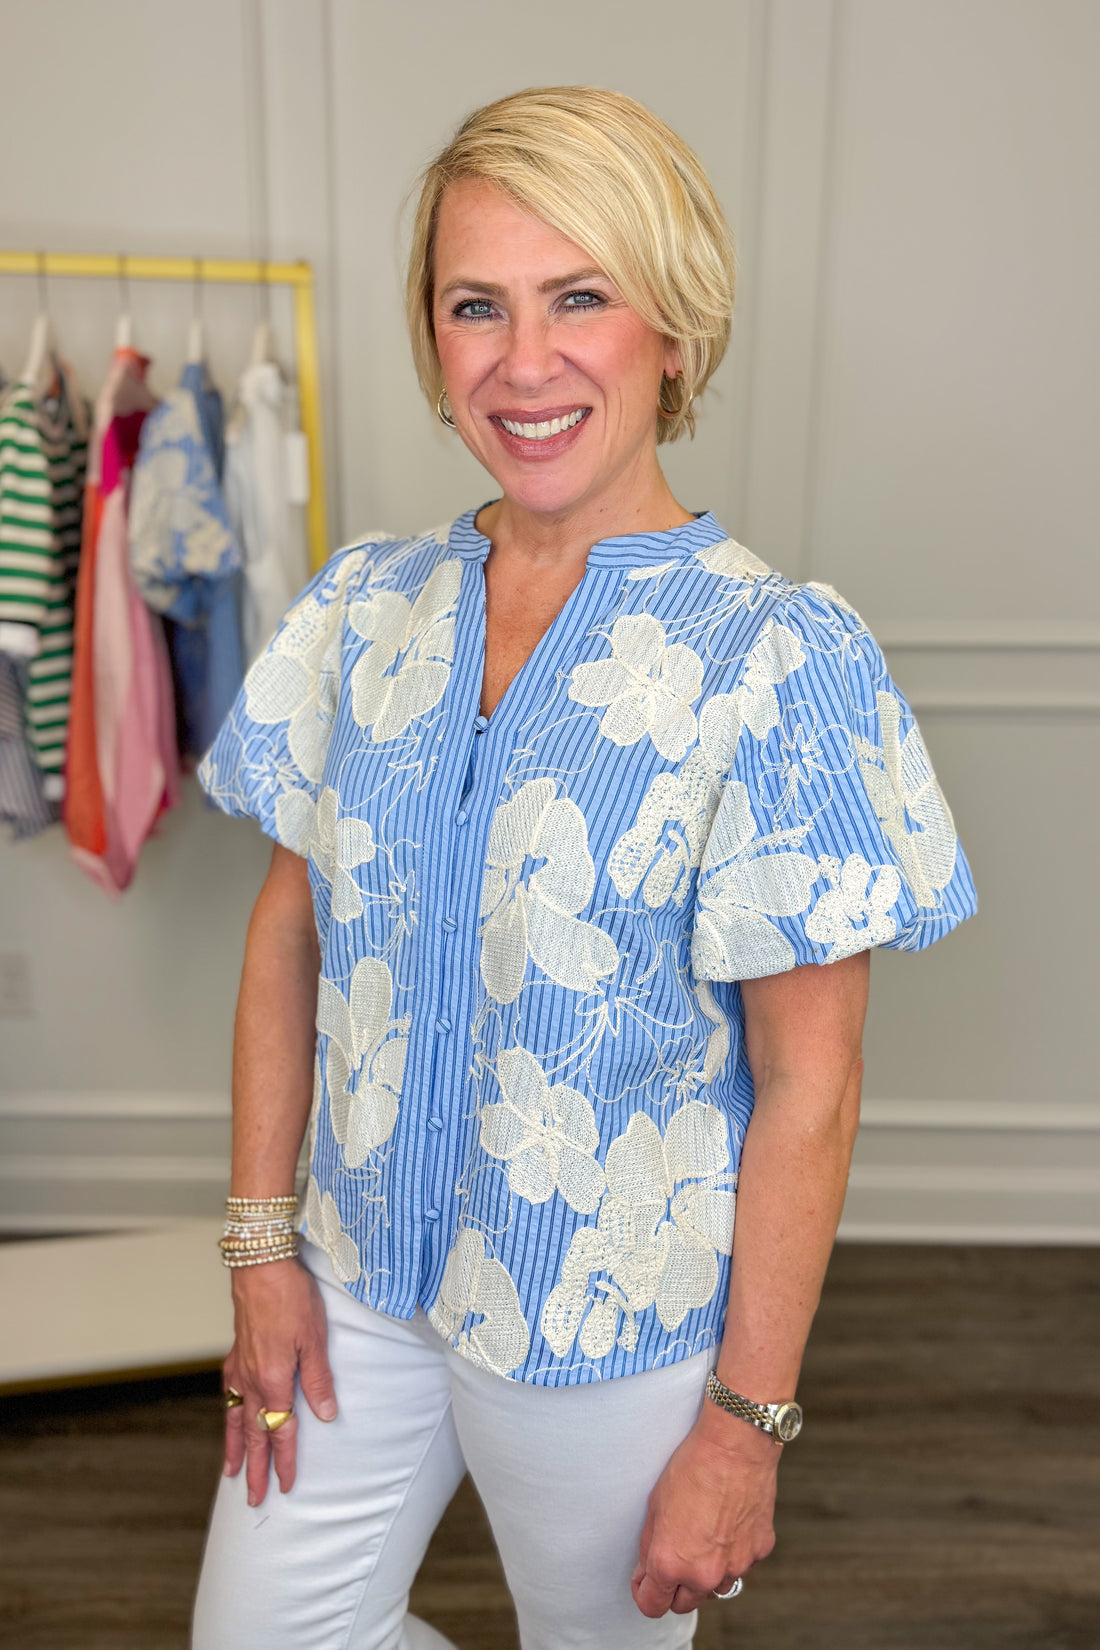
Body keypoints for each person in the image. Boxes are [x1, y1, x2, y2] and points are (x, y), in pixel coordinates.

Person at [190, 85, 977, 1650]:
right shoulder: (365, 609)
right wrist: (262, 1243)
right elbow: (290, 936)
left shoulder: (775, 656)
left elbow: (809, 1082)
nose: (524, 360)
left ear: (672, 329)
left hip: (603, 1322)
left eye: (581, 298)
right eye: (476, 304)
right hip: (354, 1275)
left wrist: (745, 1424)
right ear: (433, 337)